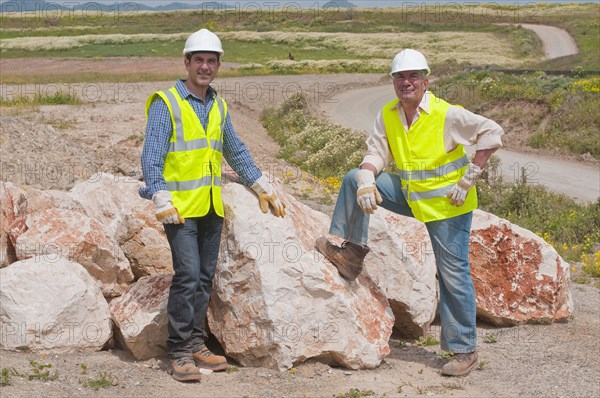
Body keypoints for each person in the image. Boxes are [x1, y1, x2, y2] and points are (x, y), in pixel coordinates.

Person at [315, 49, 503, 377]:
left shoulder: (446, 114)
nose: (406, 82)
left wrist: (472, 173)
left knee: (453, 274)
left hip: (449, 206)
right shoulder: (388, 113)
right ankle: (351, 253)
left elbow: (492, 133)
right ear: (393, 82)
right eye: (400, 77)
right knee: (351, 179)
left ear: (425, 81)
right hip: (410, 196)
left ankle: (464, 350)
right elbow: (376, 151)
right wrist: (366, 178)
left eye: (413, 76)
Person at [139, 29, 286, 383]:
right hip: (178, 208)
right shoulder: (167, 102)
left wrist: (260, 183)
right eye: (199, 60)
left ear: (218, 65)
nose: (205, 67)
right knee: (187, 276)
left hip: (209, 206)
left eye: (212, 61)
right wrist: (158, 195)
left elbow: (234, 148)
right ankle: (178, 352)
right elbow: (152, 155)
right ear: (186, 62)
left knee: (205, 277)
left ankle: (195, 343)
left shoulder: (218, 104)